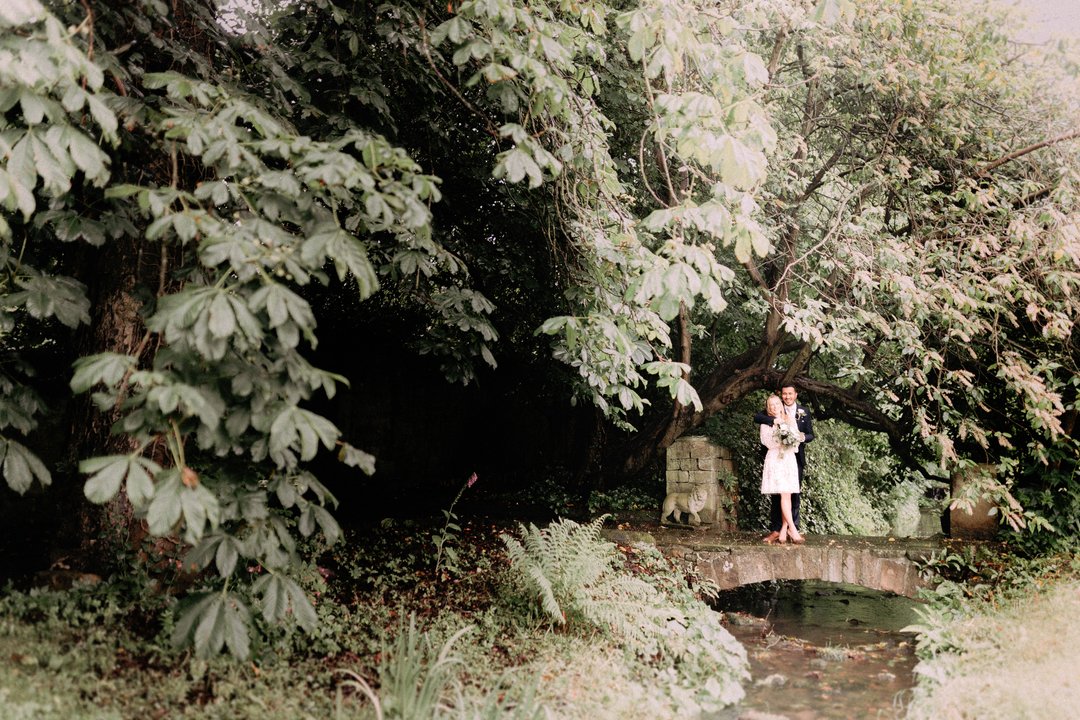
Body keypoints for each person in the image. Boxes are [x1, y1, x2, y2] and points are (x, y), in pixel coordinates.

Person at [755, 384, 814, 544]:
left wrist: (799, 438)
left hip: (794, 458)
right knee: (778, 495)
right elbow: (757, 418)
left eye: (790, 394)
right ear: (782, 396)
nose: (787, 396)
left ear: (795, 395)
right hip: (777, 457)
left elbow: (810, 435)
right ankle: (778, 529)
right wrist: (775, 422)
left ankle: (789, 528)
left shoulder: (804, 412)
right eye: (784, 394)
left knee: (792, 494)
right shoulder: (770, 414)